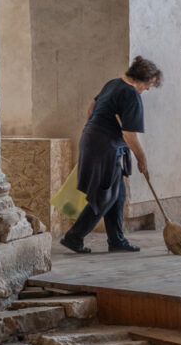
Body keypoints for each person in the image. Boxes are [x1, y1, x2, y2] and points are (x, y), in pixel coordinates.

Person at [59, 56, 162, 254]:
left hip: (92, 139)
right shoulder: (131, 95)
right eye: (150, 84)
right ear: (143, 78)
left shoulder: (113, 84)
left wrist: (96, 131)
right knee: (105, 195)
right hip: (104, 146)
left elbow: (91, 108)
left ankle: (117, 240)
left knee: (117, 193)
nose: (148, 89)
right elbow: (129, 134)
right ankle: (74, 236)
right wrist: (143, 160)